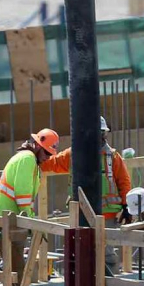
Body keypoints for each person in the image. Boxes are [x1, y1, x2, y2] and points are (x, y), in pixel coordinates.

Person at [42, 116, 132, 271]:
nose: (100, 137)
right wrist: (35, 154)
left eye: (102, 133)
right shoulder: (73, 154)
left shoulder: (112, 156)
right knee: (84, 252)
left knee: (106, 254)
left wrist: (126, 207)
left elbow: (124, 183)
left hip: (107, 215)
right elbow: (51, 164)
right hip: (81, 214)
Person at [0, 128, 61, 275]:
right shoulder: (27, 159)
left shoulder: (28, 160)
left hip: (9, 218)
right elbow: (22, 196)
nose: (48, 157)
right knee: (16, 270)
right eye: (46, 153)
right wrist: (32, 224)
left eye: (50, 154)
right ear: (36, 146)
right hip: (6, 219)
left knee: (14, 268)